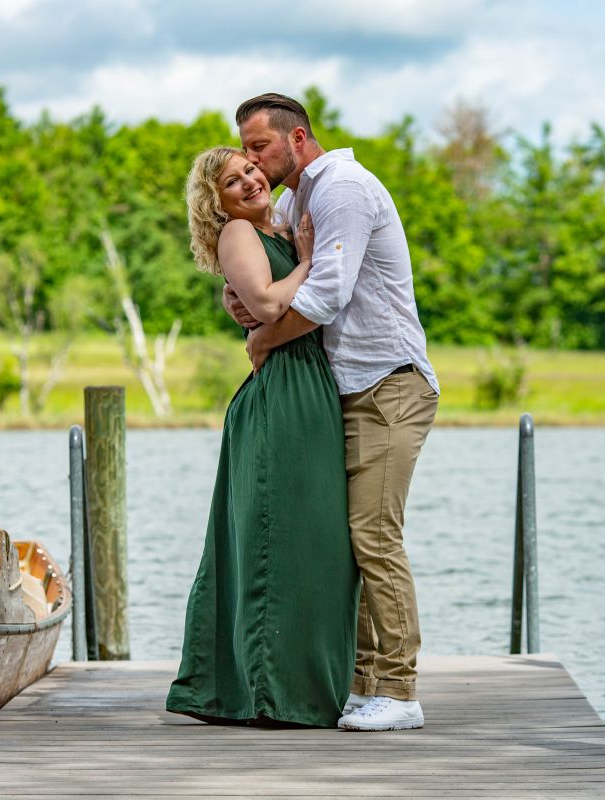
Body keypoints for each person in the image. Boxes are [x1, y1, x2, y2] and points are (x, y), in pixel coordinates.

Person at [227, 94, 439, 731]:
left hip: (389, 383)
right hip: (342, 391)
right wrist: (245, 301)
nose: (252, 162)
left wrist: (262, 338)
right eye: (244, 150)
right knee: (348, 544)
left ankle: (399, 693)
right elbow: (271, 280)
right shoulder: (294, 201)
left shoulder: (342, 188)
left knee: (375, 536)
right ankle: (363, 683)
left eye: (260, 148)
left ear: (297, 140)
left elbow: (325, 293)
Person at [165, 147, 358, 728]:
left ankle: (313, 689)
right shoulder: (239, 237)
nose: (250, 180)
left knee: (318, 544)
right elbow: (271, 304)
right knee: (278, 540)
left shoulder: (279, 220)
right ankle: (269, 695)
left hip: (312, 388)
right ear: (215, 202)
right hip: (280, 394)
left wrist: (302, 255)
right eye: (232, 180)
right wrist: (308, 260)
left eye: (250, 170)